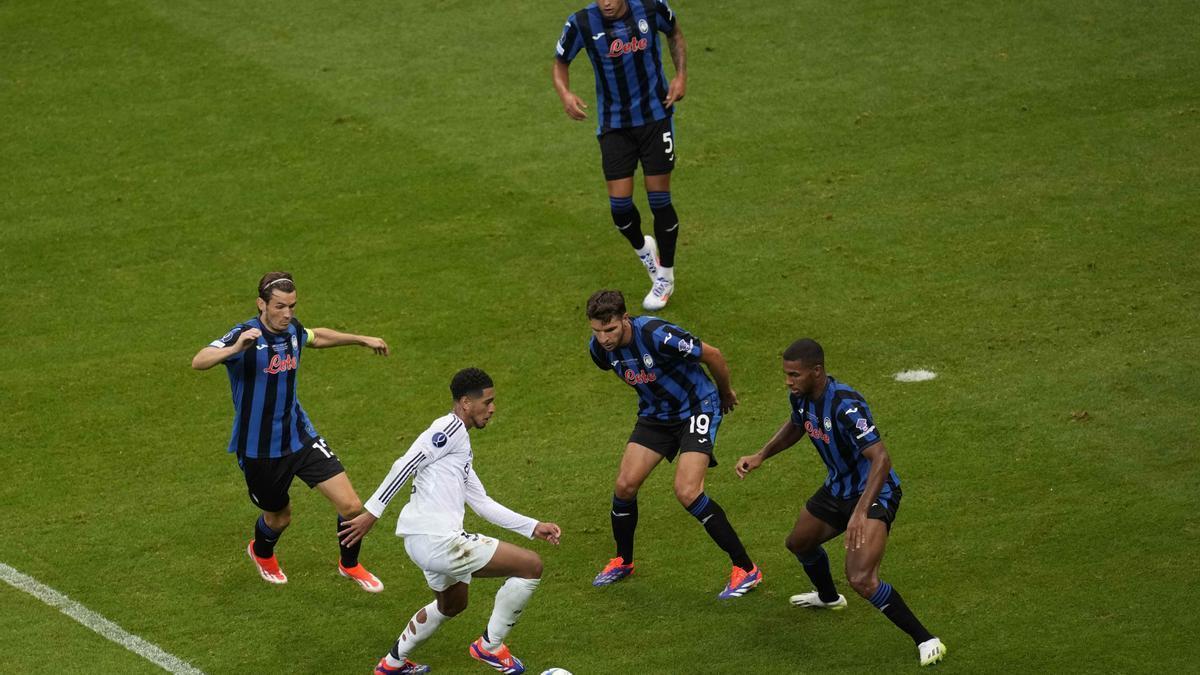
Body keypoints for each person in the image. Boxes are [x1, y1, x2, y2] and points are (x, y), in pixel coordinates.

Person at [734, 338, 947, 667]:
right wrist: (761, 454)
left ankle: (926, 639)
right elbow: (796, 425)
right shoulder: (802, 398)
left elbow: (881, 459)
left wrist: (861, 512)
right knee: (799, 543)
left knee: (861, 578)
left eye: (794, 374)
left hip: (875, 493)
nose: (788, 381)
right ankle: (829, 598)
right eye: (787, 374)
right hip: (838, 489)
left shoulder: (846, 405)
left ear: (816, 372)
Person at [337, 368, 562, 675]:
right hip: (439, 541)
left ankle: (392, 664)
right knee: (530, 566)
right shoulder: (449, 428)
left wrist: (533, 526)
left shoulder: (460, 446)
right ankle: (490, 647)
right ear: (466, 403)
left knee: (452, 604)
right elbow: (405, 463)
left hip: (420, 541)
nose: (493, 408)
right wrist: (372, 512)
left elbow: (481, 502)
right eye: (488, 402)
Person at [190, 271, 389, 592]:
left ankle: (349, 564)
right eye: (280, 307)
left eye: (292, 306)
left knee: (352, 507)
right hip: (259, 449)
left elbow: (316, 336)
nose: (287, 314)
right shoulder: (244, 335)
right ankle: (261, 551)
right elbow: (199, 360)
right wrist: (234, 349)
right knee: (279, 518)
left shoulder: (292, 330)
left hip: (300, 436)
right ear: (261, 304)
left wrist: (360, 338)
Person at [584, 289, 761, 598]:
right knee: (625, 486)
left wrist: (725, 392)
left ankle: (746, 569)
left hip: (698, 407)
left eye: (610, 329)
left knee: (687, 491)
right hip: (657, 416)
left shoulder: (657, 334)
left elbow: (713, 354)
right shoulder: (600, 351)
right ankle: (623, 561)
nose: (604, 338)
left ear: (625, 318)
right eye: (597, 331)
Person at [553, 0, 688, 311]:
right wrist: (565, 94)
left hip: (656, 117)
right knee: (620, 209)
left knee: (659, 200)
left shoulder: (652, 7)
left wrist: (680, 76)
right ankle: (644, 250)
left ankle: (665, 275)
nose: (607, 3)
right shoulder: (582, 22)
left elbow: (675, 32)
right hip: (615, 126)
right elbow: (560, 62)